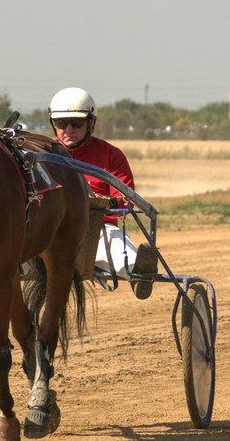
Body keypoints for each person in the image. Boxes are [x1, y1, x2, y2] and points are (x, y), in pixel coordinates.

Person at [48, 87, 157, 300]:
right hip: (49, 229)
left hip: (96, 229)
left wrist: (105, 203)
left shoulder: (111, 155)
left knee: (117, 244)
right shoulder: (42, 153)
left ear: (91, 123)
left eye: (76, 123)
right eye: (62, 123)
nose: (69, 129)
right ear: (53, 124)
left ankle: (138, 273)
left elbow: (124, 201)